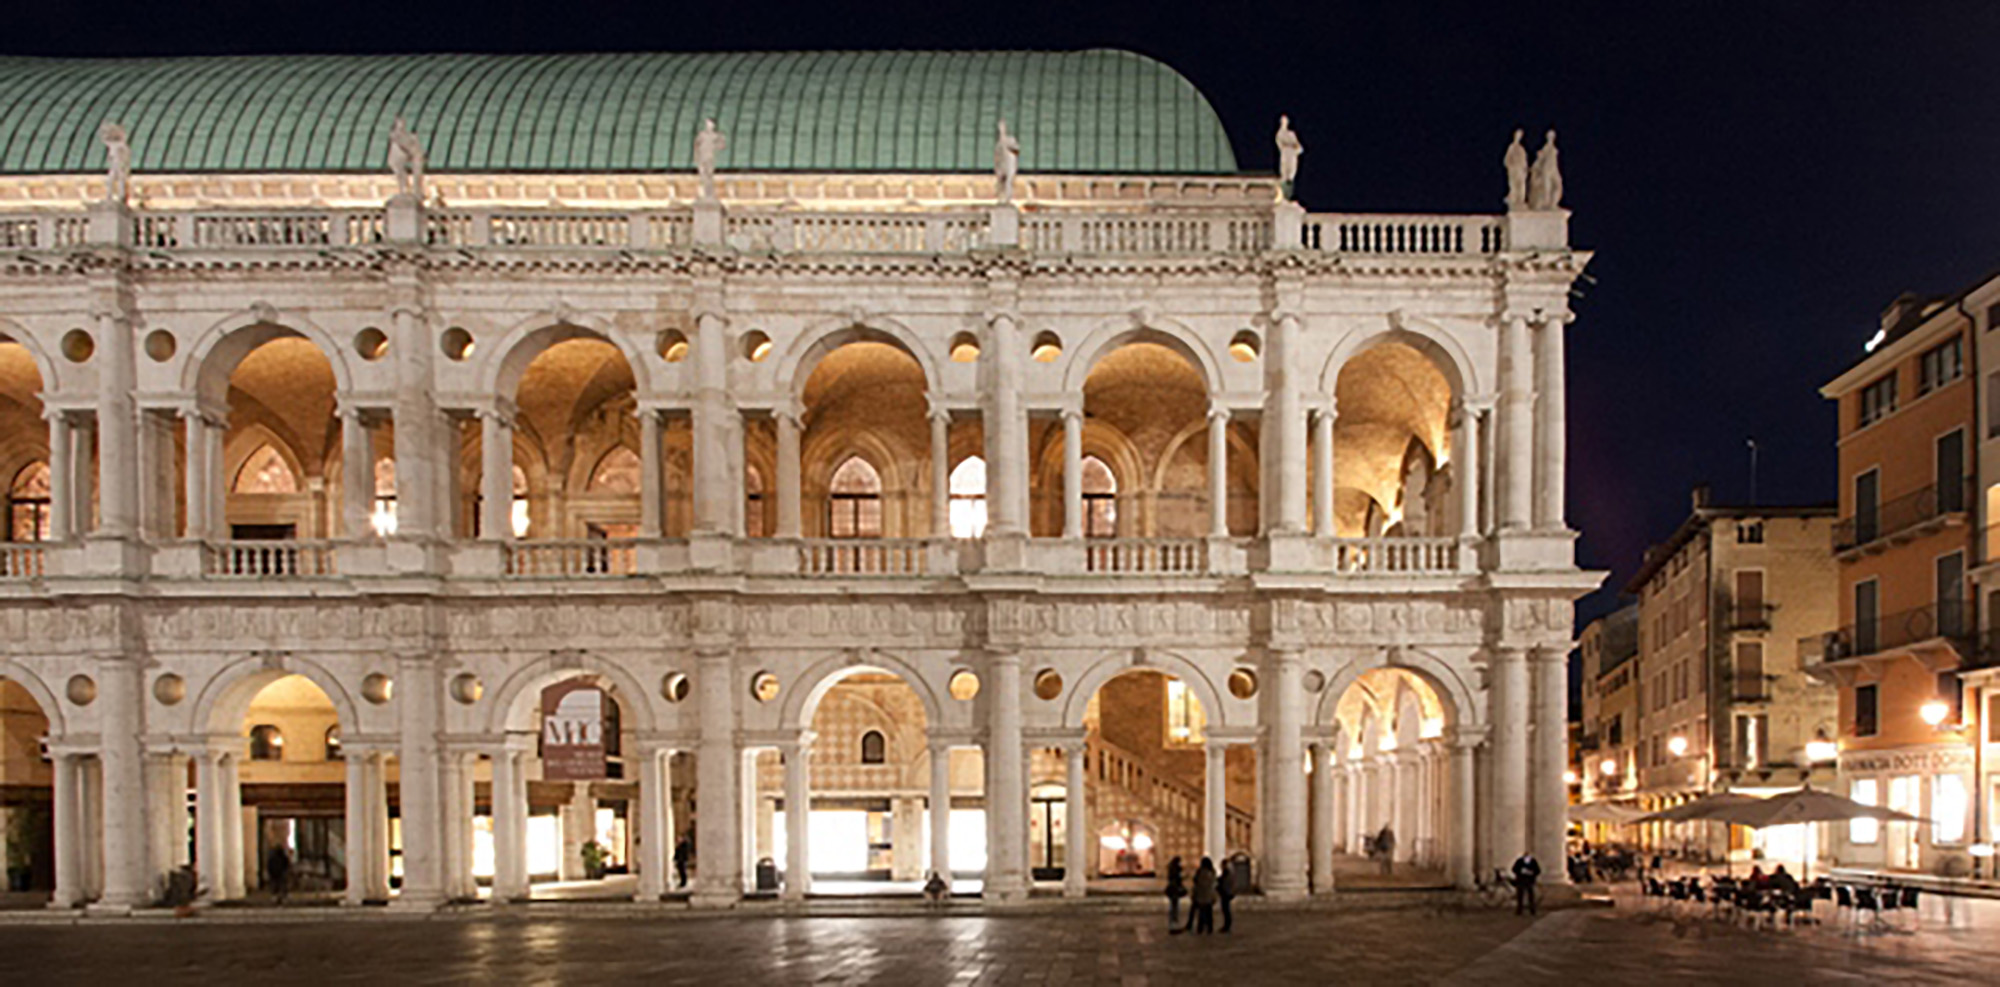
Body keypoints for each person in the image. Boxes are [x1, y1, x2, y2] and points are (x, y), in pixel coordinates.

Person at [1190, 857, 1219, 935]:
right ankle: (1209, 928)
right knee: (1209, 912)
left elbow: (1196, 882)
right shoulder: (1212, 872)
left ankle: (1200, 928)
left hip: (1201, 894)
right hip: (1209, 894)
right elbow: (1214, 883)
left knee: (1201, 912)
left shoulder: (1200, 872)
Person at [1511, 851, 1541, 916]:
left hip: (1529, 880)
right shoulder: (1519, 861)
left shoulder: (1533, 861)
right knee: (1520, 896)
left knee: (1530, 896)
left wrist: (1531, 873)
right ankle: (1520, 910)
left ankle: (1532, 909)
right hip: (1521, 880)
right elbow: (1514, 869)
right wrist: (1521, 871)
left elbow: (1538, 870)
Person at [1164, 856, 1187, 932]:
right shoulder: (1175, 871)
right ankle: (1174, 921)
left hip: (1172, 888)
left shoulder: (1171, 869)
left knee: (1173, 905)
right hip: (1175, 889)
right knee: (1174, 905)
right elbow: (1178, 878)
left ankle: (1173, 921)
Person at [1216, 859, 1237, 933]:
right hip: (1228, 892)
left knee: (1226, 910)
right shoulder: (1231, 872)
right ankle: (1227, 925)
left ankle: (1227, 926)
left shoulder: (1227, 872)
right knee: (1226, 910)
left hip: (1226, 892)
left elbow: (1222, 881)